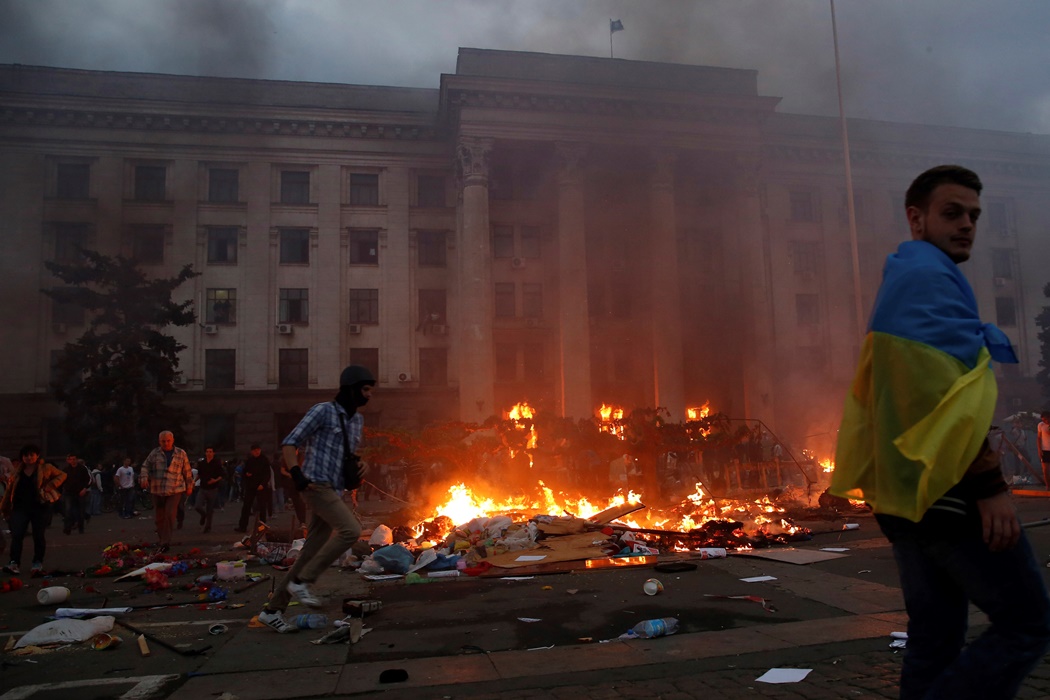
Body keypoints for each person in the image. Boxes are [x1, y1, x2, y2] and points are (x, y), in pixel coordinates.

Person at [830, 165, 1050, 699]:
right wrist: (991, 486)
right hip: (945, 489)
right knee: (1027, 624)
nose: (968, 224)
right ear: (916, 218)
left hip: (905, 491)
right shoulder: (928, 277)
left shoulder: (907, 274)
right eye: (952, 213)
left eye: (974, 215)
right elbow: (940, 398)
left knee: (935, 637)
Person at [257, 365, 374, 633]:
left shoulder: (356, 421)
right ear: (351, 388)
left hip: (334, 489)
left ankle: (272, 610)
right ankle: (304, 581)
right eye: (365, 389)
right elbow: (290, 442)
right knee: (351, 530)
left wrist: (361, 466)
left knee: (308, 552)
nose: (369, 396)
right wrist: (296, 472)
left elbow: (349, 455)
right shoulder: (322, 410)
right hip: (314, 485)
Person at [1, 445, 66, 575]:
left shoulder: (45, 468)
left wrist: (50, 485)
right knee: (17, 535)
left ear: (37, 456)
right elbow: (9, 492)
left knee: (38, 535)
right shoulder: (17, 472)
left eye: (32, 455)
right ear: (22, 457)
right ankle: (14, 562)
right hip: (20, 508)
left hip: (40, 506)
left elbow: (62, 475)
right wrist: (5, 508)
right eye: (26, 455)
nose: (29, 458)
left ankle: (37, 563)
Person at [140, 430, 194, 552]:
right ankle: (161, 539)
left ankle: (165, 542)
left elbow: (187, 471)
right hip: (157, 489)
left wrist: (189, 485)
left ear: (173, 440)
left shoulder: (180, 453)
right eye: (163, 441)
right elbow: (145, 467)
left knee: (169, 515)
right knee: (159, 517)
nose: (166, 443)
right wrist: (144, 478)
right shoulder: (154, 453)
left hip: (175, 489)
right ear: (159, 442)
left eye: (168, 441)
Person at [237, 444, 271, 533]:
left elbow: (267, 474)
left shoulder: (264, 460)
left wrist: (263, 484)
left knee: (262, 507)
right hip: (251, 486)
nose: (257, 452)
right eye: (255, 450)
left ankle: (263, 526)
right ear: (252, 451)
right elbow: (244, 472)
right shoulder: (250, 460)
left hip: (261, 487)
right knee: (246, 506)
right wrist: (247, 475)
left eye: (258, 450)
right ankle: (242, 526)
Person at [195, 447, 225, 533]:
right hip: (203, 488)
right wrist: (193, 482)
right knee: (198, 506)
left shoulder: (216, 463)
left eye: (210, 452)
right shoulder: (202, 463)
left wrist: (215, 480)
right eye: (207, 451)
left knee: (210, 509)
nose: (209, 453)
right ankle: (203, 514)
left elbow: (222, 475)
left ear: (213, 453)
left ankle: (208, 526)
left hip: (212, 489)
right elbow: (199, 474)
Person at [61, 453, 90, 535]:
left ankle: (81, 528)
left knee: (81, 511)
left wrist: (84, 488)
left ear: (77, 460)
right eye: (71, 459)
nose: (73, 461)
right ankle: (67, 528)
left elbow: (88, 480)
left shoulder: (82, 469)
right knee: (68, 511)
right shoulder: (65, 470)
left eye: (74, 459)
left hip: (80, 492)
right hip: (69, 493)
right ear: (68, 460)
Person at [1038, 411, 1050, 487]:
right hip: (1045, 450)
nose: (1044, 421)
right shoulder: (1040, 425)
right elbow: (1039, 438)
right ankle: (1048, 486)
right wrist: (1039, 449)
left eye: (1045, 419)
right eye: (1043, 419)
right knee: (1045, 470)